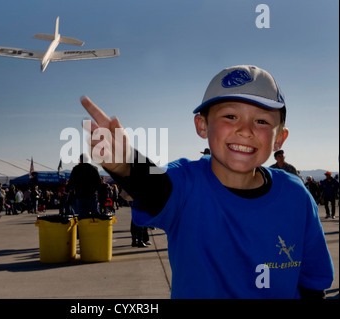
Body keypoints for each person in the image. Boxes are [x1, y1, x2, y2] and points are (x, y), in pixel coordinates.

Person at [79, 65, 334, 298]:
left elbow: (312, 284)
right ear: (202, 126)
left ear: (279, 139)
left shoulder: (295, 195)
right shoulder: (187, 182)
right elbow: (158, 189)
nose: (245, 130)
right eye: (230, 116)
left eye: (262, 121)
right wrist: (127, 164)